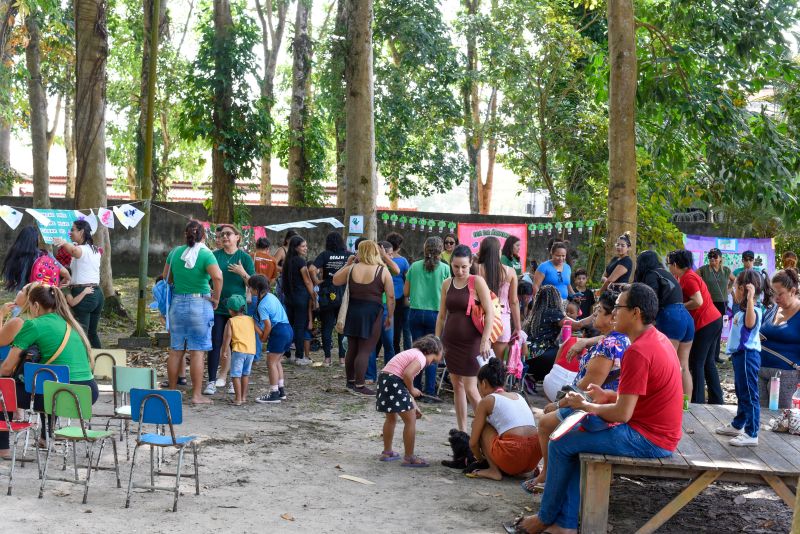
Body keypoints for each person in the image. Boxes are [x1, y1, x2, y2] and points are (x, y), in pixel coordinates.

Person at [513, 284, 682, 534]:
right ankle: (564, 524)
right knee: (572, 437)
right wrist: (607, 395)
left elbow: (622, 414)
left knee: (560, 442)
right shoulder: (656, 338)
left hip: (651, 438)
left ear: (635, 313)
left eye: (618, 308)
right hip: (655, 431)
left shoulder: (639, 350)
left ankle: (546, 519)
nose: (614, 313)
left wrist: (586, 404)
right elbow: (638, 396)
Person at [531, 291, 632, 491]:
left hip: (593, 406)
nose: (594, 315)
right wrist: (585, 341)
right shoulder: (619, 339)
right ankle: (550, 473)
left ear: (613, 317)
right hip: (598, 403)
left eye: (599, 311)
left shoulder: (608, 347)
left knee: (545, 423)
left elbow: (587, 386)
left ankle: (548, 475)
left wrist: (559, 404)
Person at [0, 285, 98, 454]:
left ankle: (2, 448)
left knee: (4, 390)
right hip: (86, 394)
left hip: (60, 395)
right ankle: (46, 437)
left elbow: (7, 368)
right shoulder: (70, 324)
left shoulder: (33, 325)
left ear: (35, 305)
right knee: (47, 385)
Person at [435, 244, 494, 431]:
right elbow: (442, 315)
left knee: (470, 387)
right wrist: (437, 340)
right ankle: (462, 431)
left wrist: (485, 339)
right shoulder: (447, 284)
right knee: (456, 385)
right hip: (450, 341)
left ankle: (486, 429)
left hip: (472, 341)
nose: (460, 271)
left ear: (471, 264)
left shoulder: (477, 282)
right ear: (450, 264)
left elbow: (490, 313)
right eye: (456, 266)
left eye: (464, 267)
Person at [163, 220, 223, 404]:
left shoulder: (174, 253)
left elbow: (166, 277)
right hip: (200, 302)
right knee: (197, 352)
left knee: (176, 350)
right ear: (203, 236)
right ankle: (197, 395)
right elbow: (218, 277)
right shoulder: (206, 254)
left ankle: (172, 392)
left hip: (177, 303)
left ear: (185, 234)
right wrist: (217, 298)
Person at [333, 240, 395, 396]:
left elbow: (335, 280)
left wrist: (348, 264)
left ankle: (351, 381)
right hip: (373, 312)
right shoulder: (382, 271)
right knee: (366, 349)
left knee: (352, 348)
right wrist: (390, 316)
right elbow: (391, 296)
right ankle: (360, 385)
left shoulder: (352, 268)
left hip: (353, 311)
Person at [634, 250, 694, 399]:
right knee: (684, 365)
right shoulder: (666, 273)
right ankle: (685, 405)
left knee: (669, 363)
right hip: (686, 317)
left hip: (670, 317)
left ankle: (668, 401)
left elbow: (649, 299)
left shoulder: (650, 274)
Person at [376, 335, 443, 467]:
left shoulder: (412, 353)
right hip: (394, 382)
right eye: (433, 360)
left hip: (385, 379)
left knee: (391, 419)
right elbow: (407, 375)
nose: (430, 363)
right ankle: (409, 457)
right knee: (410, 420)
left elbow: (402, 381)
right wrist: (412, 389)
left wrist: (414, 404)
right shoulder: (421, 358)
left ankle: (387, 452)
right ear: (430, 351)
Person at [468, 358, 539, 480]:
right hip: (533, 458)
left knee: (480, 426)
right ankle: (520, 470)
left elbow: (473, 443)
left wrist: (480, 459)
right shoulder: (519, 396)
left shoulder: (487, 401)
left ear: (484, 383)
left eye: (478, 385)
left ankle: (493, 470)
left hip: (512, 456)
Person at [205, 224, 255, 394]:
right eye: (222, 234)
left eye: (228, 234)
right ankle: (211, 381)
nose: (224, 237)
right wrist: (208, 289)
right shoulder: (213, 255)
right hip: (218, 307)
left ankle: (234, 380)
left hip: (238, 310)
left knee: (237, 345)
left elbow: (253, 285)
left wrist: (242, 272)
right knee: (215, 343)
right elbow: (205, 278)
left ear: (237, 237)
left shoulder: (245, 258)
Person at [668, 249, 723, 404]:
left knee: (697, 362)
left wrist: (679, 306)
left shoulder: (688, 278)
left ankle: (697, 401)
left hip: (706, 323)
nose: (669, 268)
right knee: (708, 362)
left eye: (669, 264)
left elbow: (697, 301)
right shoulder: (687, 276)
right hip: (713, 320)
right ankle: (716, 400)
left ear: (676, 264)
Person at [715, 270, 763, 446]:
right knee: (742, 392)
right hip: (739, 356)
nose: (733, 290)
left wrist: (750, 299)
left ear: (743, 289)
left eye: (735, 287)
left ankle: (752, 433)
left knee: (749, 394)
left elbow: (750, 324)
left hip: (747, 356)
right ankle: (738, 424)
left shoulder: (754, 310)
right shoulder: (741, 311)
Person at [405, 236, 451, 400]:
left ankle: (415, 388)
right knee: (433, 352)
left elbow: (406, 292)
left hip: (416, 312)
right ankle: (430, 391)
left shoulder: (414, 266)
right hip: (436, 315)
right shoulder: (445, 269)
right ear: (441, 251)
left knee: (417, 352)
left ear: (425, 249)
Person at [53, 220, 103, 348]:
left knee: (82, 334)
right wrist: (69, 281)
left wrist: (64, 243)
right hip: (97, 293)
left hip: (84, 294)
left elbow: (74, 251)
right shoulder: (95, 249)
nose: (70, 232)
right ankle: (101, 362)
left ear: (81, 232)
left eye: (73, 229)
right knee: (92, 333)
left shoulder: (82, 250)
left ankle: (83, 363)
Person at [310, 231, 353, 366]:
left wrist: (317, 281)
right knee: (341, 326)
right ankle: (342, 359)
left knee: (327, 328)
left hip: (327, 293)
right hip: (343, 293)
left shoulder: (325, 255)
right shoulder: (347, 255)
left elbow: (311, 269)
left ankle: (327, 359)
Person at [758, 269, 800, 408]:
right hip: (760, 371)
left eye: (780, 294)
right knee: (758, 418)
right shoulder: (772, 309)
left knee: (782, 420)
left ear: (793, 291)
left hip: (787, 376)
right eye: (773, 293)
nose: (776, 298)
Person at [249, 275, 293, 405]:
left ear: (256, 289)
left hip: (279, 331)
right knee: (277, 361)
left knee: (271, 363)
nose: (249, 290)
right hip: (288, 329)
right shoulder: (272, 296)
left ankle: (274, 394)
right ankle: (281, 391)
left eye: (250, 287)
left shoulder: (262, 304)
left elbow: (267, 325)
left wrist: (262, 336)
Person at [477, 237, 520, 359]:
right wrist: (518, 327)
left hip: (480, 319)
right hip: (502, 320)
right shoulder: (510, 272)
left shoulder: (476, 269)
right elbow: (514, 301)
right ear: (498, 252)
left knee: (479, 365)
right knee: (498, 364)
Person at [366, 241, 399, 382]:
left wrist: (385, 257)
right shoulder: (371, 265)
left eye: (391, 254)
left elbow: (397, 270)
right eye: (388, 254)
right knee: (371, 344)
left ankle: (389, 374)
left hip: (385, 307)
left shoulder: (387, 266)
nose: (391, 257)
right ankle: (370, 375)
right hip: (375, 306)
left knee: (388, 343)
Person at [282, 235, 316, 366]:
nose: (306, 248)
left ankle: (287, 354)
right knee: (300, 327)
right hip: (301, 298)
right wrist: (314, 297)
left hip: (289, 298)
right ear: (296, 247)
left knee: (290, 326)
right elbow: (307, 281)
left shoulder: (287, 261)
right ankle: (300, 356)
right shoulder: (300, 262)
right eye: (303, 246)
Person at [3, 225, 70, 291]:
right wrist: (66, 280)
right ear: (36, 239)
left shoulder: (14, 255)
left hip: (21, 295)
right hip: (39, 295)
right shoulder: (43, 255)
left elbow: (8, 277)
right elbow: (65, 272)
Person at [697, 248, 735, 362]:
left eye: (715, 256)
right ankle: (706, 355)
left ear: (720, 258)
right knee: (708, 328)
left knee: (719, 329)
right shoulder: (704, 269)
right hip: (708, 303)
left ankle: (715, 356)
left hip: (722, 303)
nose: (712, 259)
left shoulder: (726, 270)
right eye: (710, 256)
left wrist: (729, 289)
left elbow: (734, 279)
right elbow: (693, 278)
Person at [523, 285, 565, 384]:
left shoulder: (536, 313)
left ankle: (533, 378)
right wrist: (593, 316)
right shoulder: (553, 313)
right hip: (541, 357)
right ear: (556, 298)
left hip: (527, 357)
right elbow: (576, 325)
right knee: (563, 351)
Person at [220, 294, 256, 406]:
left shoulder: (231, 321)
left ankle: (238, 398)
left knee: (235, 375)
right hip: (251, 351)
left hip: (238, 350)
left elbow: (228, 337)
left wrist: (224, 350)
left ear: (230, 310)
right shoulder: (250, 319)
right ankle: (244, 397)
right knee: (245, 374)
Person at [386, 232, 411, 354]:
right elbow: (408, 280)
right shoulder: (403, 261)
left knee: (386, 326)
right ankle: (397, 352)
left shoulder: (382, 260)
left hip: (385, 297)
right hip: (400, 297)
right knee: (398, 327)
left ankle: (389, 351)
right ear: (399, 246)